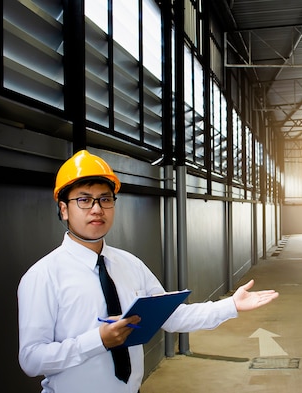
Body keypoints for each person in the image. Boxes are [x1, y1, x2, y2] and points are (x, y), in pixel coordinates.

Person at [18, 150, 279, 393]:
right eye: (84, 200)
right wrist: (98, 340)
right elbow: (31, 359)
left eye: (105, 199)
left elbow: (173, 317)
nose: (97, 208)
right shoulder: (43, 276)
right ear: (63, 209)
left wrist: (231, 305)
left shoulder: (129, 265)